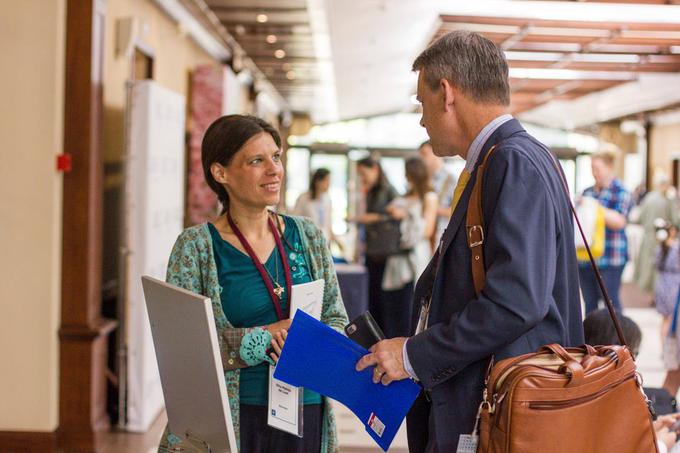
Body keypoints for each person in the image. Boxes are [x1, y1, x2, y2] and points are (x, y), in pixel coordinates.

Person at [355, 30, 584, 452]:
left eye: (422, 104)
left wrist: (413, 354)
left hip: (500, 408)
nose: (422, 120)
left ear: (446, 93)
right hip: (499, 402)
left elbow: (515, 302)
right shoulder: (516, 158)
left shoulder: (511, 162)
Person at [161, 115, 348, 453]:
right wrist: (267, 337)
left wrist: (315, 338)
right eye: (256, 161)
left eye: (276, 157)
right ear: (221, 173)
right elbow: (183, 349)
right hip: (235, 415)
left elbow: (336, 315)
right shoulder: (196, 248)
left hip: (305, 405)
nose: (274, 169)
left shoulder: (307, 236)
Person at [379, 157, 438, 337]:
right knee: (392, 306)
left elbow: (427, 230)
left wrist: (407, 215)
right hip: (396, 256)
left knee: (410, 306)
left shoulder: (429, 196)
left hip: (415, 257)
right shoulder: (402, 198)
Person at [578, 150, 633, 314]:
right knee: (590, 305)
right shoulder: (587, 192)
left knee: (611, 305)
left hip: (611, 258)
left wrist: (593, 206)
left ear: (609, 168)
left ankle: (617, 339)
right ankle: (592, 339)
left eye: (597, 168)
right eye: (592, 168)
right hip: (586, 258)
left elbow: (619, 221)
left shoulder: (621, 191)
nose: (594, 173)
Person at [353, 156, 399, 333]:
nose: (362, 179)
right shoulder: (371, 191)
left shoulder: (388, 191)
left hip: (385, 254)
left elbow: (397, 218)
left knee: (385, 302)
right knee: (373, 302)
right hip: (373, 252)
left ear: (375, 169)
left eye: (363, 174)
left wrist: (372, 218)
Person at [634, 175, 679, 295]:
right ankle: (658, 295)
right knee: (659, 267)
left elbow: (640, 218)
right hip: (662, 239)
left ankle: (652, 294)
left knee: (648, 266)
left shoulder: (648, 197)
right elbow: (675, 220)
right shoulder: (667, 200)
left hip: (648, 237)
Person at [418, 141, 457, 251]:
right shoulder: (421, 180)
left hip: (440, 235)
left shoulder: (451, 180)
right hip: (421, 237)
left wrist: (431, 209)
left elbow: (458, 210)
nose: (421, 159)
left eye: (424, 154)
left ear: (435, 153)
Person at [292, 168, 336, 243]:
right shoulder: (303, 198)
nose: (329, 184)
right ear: (317, 181)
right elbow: (295, 219)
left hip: (324, 241)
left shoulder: (327, 199)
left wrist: (335, 239)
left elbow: (328, 223)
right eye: (326, 180)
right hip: (307, 241)